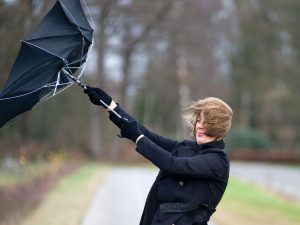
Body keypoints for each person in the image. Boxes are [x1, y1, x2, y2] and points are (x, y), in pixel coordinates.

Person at [84, 86, 233, 225]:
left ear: (218, 128)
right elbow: (148, 135)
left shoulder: (218, 161)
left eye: (206, 123)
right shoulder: (187, 147)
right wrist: (110, 106)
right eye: (199, 120)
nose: (200, 125)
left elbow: (174, 165)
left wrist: (138, 138)